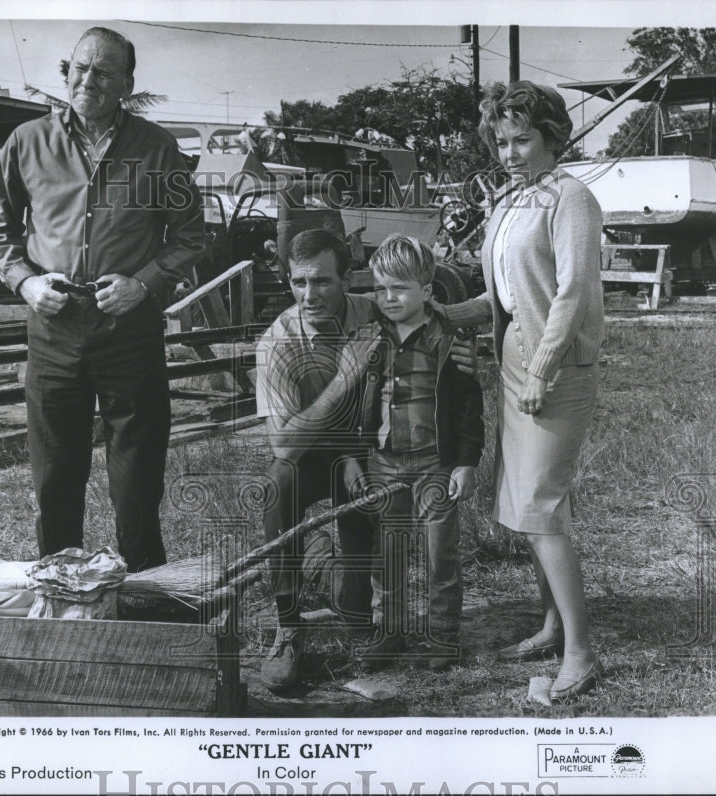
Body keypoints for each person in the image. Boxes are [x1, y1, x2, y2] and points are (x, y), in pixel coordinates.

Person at [0, 27, 205, 572]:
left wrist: (144, 283)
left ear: (127, 83)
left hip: (128, 326)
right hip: (54, 323)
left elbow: (191, 235)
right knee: (55, 469)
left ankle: (146, 587)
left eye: (105, 72)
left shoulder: (157, 147)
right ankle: (60, 589)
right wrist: (26, 282)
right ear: (68, 71)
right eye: (80, 68)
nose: (89, 80)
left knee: (136, 471)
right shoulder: (27, 141)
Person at [441, 80, 605, 701]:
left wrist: (542, 367)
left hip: (556, 367)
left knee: (539, 507)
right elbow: (506, 295)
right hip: (515, 358)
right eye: (501, 141)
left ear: (551, 137)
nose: (509, 153)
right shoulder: (512, 201)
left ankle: (582, 654)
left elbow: (572, 294)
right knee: (536, 502)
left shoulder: (572, 199)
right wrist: (441, 313)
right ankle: (552, 624)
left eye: (522, 140)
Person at [253, 228, 378, 693]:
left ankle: (353, 590)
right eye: (299, 282)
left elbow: (436, 318)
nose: (309, 295)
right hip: (304, 457)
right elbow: (284, 445)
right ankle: (288, 624)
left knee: (356, 614)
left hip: (359, 452)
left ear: (347, 278)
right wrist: (346, 376)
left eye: (323, 282)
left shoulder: (371, 312)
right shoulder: (277, 341)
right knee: (278, 483)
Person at [353, 234, 484, 673]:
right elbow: (361, 403)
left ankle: (442, 636)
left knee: (439, 554)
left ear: (427, 292)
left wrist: (465, 462)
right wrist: (360, 456)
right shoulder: (371, 338)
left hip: (435, 463)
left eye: (400, 289)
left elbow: (468, 407)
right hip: (386, 463)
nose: (388, 298)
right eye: (381, 289)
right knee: (385, 551)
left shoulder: (448, 340)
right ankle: (389, 630)